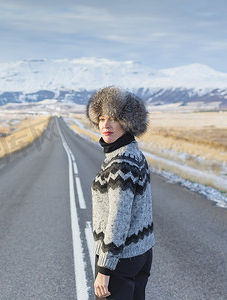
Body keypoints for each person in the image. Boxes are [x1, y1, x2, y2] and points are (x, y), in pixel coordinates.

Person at [86, 86, 155, 300]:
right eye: (102, 118)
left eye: (113, 118)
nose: (105, 125)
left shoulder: (120, 164)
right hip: (140, 252)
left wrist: (105, 270)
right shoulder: (134, 153)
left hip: (120, 259)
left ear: (127, 122)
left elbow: (119, 218)